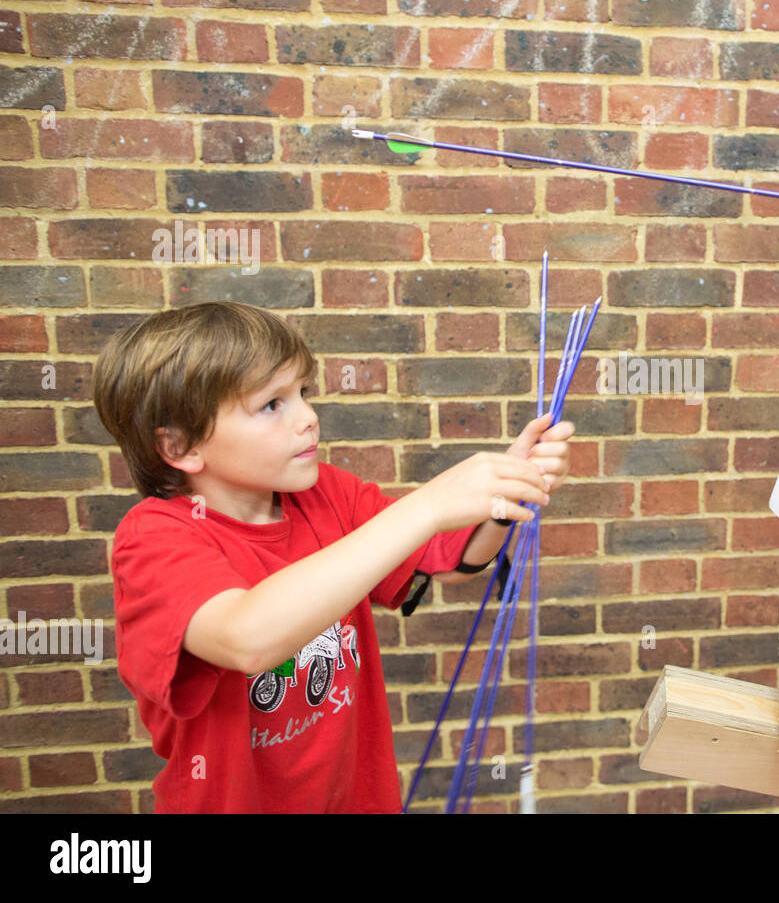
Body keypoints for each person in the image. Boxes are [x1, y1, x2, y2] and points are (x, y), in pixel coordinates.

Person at [91, 301, 572, 812]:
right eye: (272, 404)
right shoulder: (153, 538)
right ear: (182, 445)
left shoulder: (329, 496)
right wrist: (428, 506)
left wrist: (504, 497)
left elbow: (452, 561)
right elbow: (246, 639)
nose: (309, 418)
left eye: (304, 393)